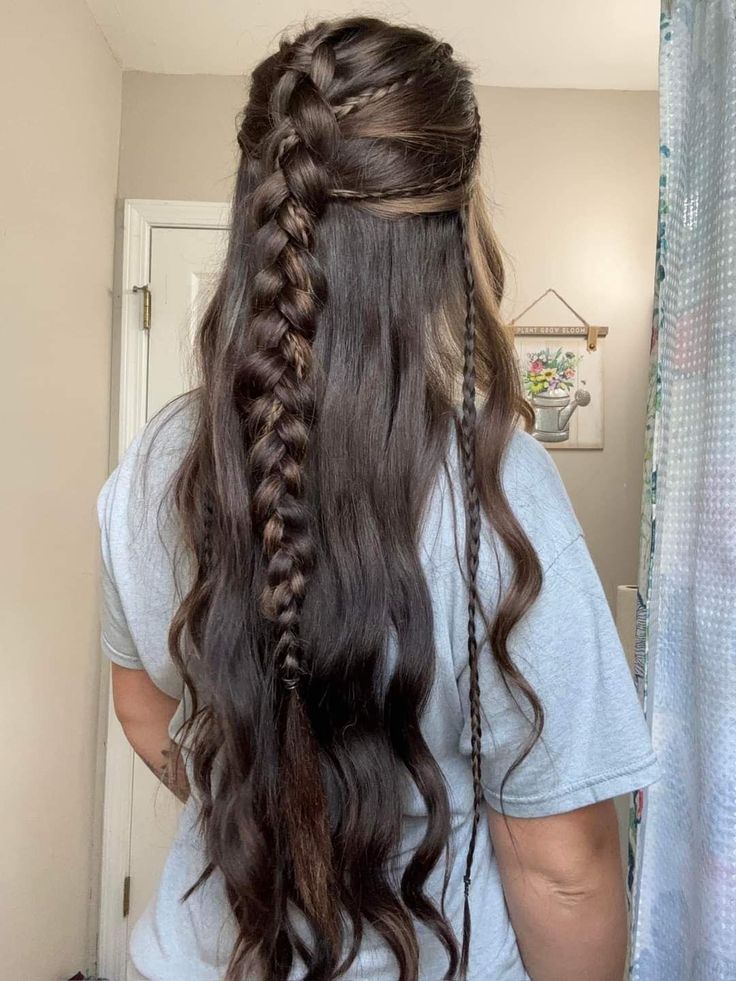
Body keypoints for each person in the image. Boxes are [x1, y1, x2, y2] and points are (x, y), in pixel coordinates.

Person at [96, 17, 660, 981]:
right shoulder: (497, 489)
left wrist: (261, 809)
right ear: (452, 236)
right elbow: (563, 868)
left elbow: (141, 703)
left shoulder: (158, 462)